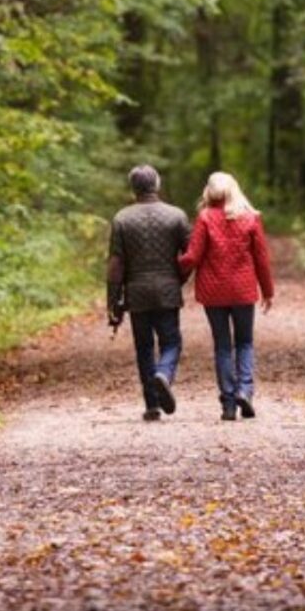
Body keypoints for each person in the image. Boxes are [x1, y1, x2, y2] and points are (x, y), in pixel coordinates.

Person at [178, 171, 274, 421]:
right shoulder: (250, 218)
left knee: (222, 346)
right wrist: (268, 291)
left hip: (213, 293)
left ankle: (229, 404)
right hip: (243, 291)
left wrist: (170, 266)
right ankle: (245, 390)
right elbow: (262, 259)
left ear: (208, 192)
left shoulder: (205, 218)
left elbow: (192, 257)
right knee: (244, 343)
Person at [107, 165, 191, 422]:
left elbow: (116, 264)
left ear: (133, 188)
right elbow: (190, 256)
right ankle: (164, 374)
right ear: (157, 184)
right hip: (167, 291)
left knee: (144, 347)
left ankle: (152, 405)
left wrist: (113, 303)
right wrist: (178, 280)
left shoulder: (122, 219)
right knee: (171, 342)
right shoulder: (176, 216)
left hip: (137, 293)